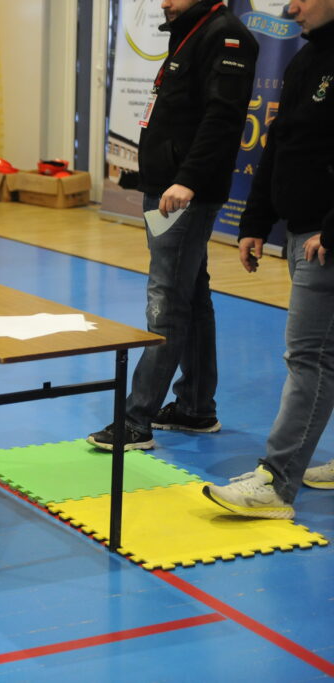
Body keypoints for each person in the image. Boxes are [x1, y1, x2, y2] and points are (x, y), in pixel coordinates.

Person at [87, 0, 258, 450]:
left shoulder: (226, 35)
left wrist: (186, 180)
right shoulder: (190, 31)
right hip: (165, 187)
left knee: (166, 300)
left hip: (183, 194)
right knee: (191, 294)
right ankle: (195, 408)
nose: (164, 1)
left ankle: (136, 419)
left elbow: (221, 121)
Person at [202, 0, 334, 519]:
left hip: (324, 238)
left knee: (310, 358)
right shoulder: (306, 58)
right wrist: (255, 223)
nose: (289, 6)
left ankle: (277, 485)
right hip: (302, 232)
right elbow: (279, 144)